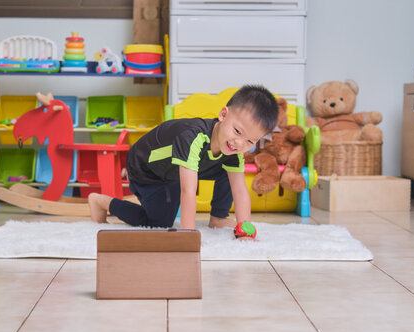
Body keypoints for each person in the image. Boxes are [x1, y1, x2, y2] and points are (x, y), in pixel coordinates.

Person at [88, 84, 279, 236]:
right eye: (237, 131)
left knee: (229, 168)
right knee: (159, 222)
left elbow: (240, 191)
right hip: (147, 169)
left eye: (249, 141)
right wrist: (188, 233)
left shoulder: (232, 149)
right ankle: (102, 202)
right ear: (223, 115)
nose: (239, 143)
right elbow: (188, 190)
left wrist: (244, 228)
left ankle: (218, 217)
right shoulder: (193, 137)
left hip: (175, 169)